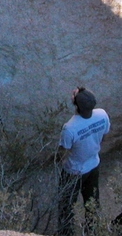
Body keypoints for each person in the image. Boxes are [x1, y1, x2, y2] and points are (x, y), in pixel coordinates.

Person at [56, 86, 111, 236]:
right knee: (92, 203)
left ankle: (66, 233)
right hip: (93, 164)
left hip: (73, 172)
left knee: (66, 206)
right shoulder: (102, 115)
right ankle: (91, 231)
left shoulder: (70, 128)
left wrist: (60, 163)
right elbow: (103, 137)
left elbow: (63, 151)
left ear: (76, 105)